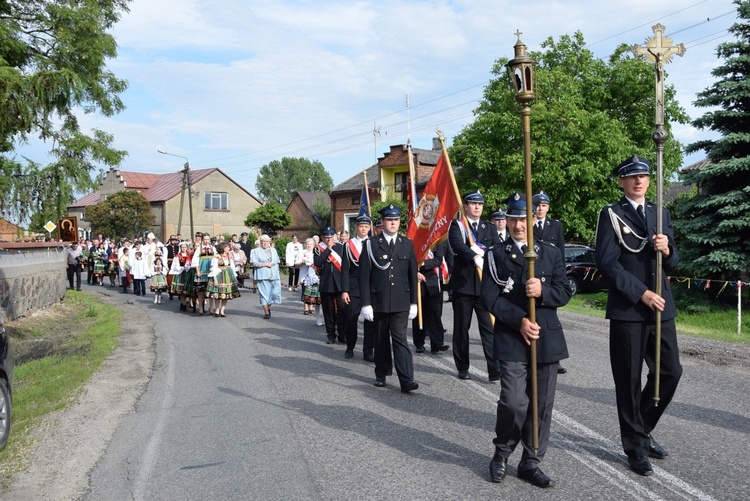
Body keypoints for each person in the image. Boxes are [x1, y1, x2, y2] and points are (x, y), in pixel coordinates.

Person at [594, 155, 682, 477]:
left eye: (643, 175)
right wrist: (640, 292)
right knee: (629, 381)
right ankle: (635, 448)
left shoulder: (661, 213)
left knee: (670, 372)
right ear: (621, 182)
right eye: (631, 176)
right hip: (629, 308)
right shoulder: (611, 215)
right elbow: (607, 262)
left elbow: (674, 263)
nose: (639, 180)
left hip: (662, 306)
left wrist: (668, 249)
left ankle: (640, 431)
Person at [481, 192, 571, 488]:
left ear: (534, 219)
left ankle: (531, 461)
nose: (519, 225)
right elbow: (490, 298)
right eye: (513, 219)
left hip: (545, 338)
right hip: (511, 337)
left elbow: (564, 291)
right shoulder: (495, 255)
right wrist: (519, 320)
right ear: (506, 221)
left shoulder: (551, 253)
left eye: (524, 219)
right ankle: (502, 453)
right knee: (515, 402)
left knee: (541, 406)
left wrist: (543, 292)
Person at [359, 204, 419, 393]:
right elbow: (363, 276)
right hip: (379, 300)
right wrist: (366, 304)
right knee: (381, 338)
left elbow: (412, 274)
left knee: (400, 338)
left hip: (401, 300)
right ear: (383, 222)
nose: (393, 223)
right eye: (389, 220)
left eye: (396, 220)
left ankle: (407, 379)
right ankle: (381, 373)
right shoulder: (371, 245)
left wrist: (414, 303)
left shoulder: (407, 243)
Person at [448, 190, 501, 381]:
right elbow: (456, 245)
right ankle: (463, 367)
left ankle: (494, 368)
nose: (477, 207)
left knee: (489, 328)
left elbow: (496, 248)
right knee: (462, 329)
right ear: (466, 206)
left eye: (480, 204)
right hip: (463, 286)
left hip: (484, 287)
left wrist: (484, 256)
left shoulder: (489, 228)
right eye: (473, 204)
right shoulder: (458, 225)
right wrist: (474, 256)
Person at [532, 190, 568, 375]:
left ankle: (554, 358)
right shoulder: (528, 224)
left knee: (550, 318)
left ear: (548, 208)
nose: (540, 209)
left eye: (544, 206)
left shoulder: (556, 226)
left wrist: (560, 276)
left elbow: (560, 252)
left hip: (551, 277)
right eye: (538, 206)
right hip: (532, 273)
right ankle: (533, 354)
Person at [340, 215, 375, 361]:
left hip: (371, 287)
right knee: (351, 319)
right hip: (354, 288)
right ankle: (350, 347)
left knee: (370, 321)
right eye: (361, 226)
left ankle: (368, 351)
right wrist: (345, 290)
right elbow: (345, 270)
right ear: (356, 227)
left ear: (369, 228)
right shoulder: (349, 245)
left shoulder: (374, 243)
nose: (364, 229)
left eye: (366, 226)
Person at [412, 241, 450, 354]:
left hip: (433, 280)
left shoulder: (436, 242)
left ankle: (437, 343)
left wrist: (423, 264)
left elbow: (439, 259)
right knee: (419, 314)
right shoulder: (413, 240)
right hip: (418, 280)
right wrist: (415, 270)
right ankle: (419, 343)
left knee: (435, 313)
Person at [314, 227, 346, 344]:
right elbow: (318, 262)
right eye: (326, 237)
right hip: (326, 284)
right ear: (323, 238)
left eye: (331, 237)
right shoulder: (318, 248)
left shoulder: (341, 247)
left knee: (342, 310)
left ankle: (342, 335)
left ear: (334, 237)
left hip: (340, 284)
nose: (329, 239)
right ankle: (331, 335)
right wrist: (328, 249)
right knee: (328, 311)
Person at [251, 234, 282, 319]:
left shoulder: (273, 250)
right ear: (260, 242)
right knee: (264, 294)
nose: (265, 243)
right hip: (262, 275)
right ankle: (266, 312)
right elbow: (254, 263)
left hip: (274, 275)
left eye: (267, 241)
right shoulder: (256, 251)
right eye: (263, 241)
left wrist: (276, 271)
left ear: (269, 242)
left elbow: (277, 261)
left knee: (274, 293)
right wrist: (265, 264)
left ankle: (268, 306)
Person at [207, 242, 241, 317]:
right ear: (223, 248)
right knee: (218, 294)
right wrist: (215, 279)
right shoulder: (217, 257)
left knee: (226, 294)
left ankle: (222, 310)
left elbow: (232, 268)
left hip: (228, 276)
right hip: (219, 276)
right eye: (227, 247)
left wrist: (234, 278)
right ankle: (217, 309)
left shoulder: (229, 256)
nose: (229, 248)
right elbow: (213, 268)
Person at [192, 234, 215, 315]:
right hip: (202, 271)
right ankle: (201, 308)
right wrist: (197, 271)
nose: (206, 241)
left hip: (210, 271)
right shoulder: (199, 248)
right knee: (201, 291)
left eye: (208, 239)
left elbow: (216, 258)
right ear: (202, 240)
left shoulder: (213, 248)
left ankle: (211, 307)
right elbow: (195, 261)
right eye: (205, 239)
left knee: (211, 290)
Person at [299, 238, 321, 319]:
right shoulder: (302, 252)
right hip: (305, 275)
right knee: (305, 290)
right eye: (307, 244)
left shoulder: (316, 252)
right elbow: (297, 264)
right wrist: (303, 262)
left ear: (313, 245)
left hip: (314, 275)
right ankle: (305, 307)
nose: (309, 246)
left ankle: (311, 306)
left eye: (310, 244)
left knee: (313, 291)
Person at [170, 241, 195, 312]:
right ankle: (183, 304)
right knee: (181, 290)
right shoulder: (177, 256)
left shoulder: (189, 256)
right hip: (180, 273)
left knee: (186, 290)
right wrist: (182, 268)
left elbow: (191, 264)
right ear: (180, 248)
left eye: (185, 247)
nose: (184, 248)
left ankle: (185, 303)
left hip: (188, 273)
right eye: (182, 247)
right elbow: (176, 266)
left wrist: (188, 267)